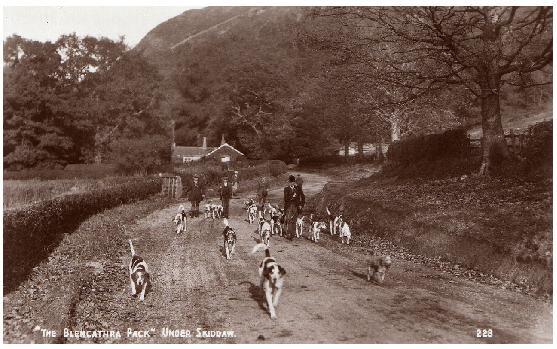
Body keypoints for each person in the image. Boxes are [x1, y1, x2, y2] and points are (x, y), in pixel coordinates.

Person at [283, 174, 305, 240]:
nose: (292, 183)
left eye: (293, 182)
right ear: (289, 182)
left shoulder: (297, 188)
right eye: (291, 182)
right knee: (289, 220)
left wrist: (301, 204)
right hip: (288, 206)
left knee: (294, 220)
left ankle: (293, 233)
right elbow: (286, 199)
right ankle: (289, 234)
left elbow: (303, 196)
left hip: (296, 206)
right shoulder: (286, 189)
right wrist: (293, 196)